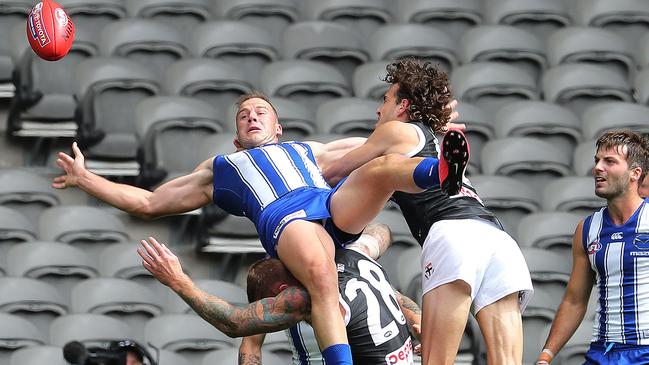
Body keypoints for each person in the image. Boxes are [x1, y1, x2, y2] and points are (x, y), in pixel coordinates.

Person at [53, 92, 461, 365]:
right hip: (290, 219)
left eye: (260, 111)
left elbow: (391, 138)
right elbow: (148, 202)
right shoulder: (222, 169)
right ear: (235, 138)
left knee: (382, 169)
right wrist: (87, 179)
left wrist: (431, 125)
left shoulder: (310, 151)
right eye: (244, 115)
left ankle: (443, 171)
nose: (252, 116)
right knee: (322, 276)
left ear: (279, 128)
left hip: (331, 209)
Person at [321, 58, 533, 365]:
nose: (379, 110)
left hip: (453, 233)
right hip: (497, 238)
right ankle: (439, 172)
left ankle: (435, 173)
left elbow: (336, 171)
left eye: (385, 101)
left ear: (402, 106)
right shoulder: (435, 139)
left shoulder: (396, 131)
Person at [137, 231, 421, 365]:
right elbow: (381, 232)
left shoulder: (300, 298)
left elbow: (234, 323)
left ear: (282, 290)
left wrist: (178, 281)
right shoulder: (353, 256)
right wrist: (414, 324)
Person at [533, 130, 649, 365]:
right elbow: (574, 301)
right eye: (597, 160)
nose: (597, 168)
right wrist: (546, 356)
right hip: (602, 353)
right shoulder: (587, 229)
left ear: (634, 173)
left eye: (609, 161)